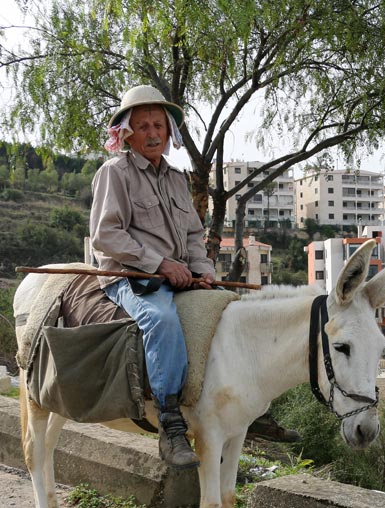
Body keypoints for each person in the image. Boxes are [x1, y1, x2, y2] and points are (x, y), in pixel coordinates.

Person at [90, 85, 214, 470]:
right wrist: (160, 263)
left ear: (169, 131)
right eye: (142, 125)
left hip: (176, 275)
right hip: (129, 276)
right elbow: (106, 235)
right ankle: (170, 425)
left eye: (158, 124)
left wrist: (204, 271)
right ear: (126, 132)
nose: (152, 132)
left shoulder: (177, 179)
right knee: (159, 320)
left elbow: (194, 235)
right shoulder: (115, 172)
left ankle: (245, 405)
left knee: (227, 309)